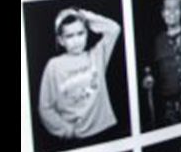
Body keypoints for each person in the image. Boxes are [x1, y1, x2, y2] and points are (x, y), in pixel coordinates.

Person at [38, 8, 121, 140]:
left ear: (87, 33)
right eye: (69, 36)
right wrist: (65, 130)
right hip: (77, 137)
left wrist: (84, 16)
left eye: (80, 33)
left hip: (104, 130)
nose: (76, 40)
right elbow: (45, 107)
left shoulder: (97, 56)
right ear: (60, 40)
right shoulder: (53, 65)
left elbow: (114, 28)